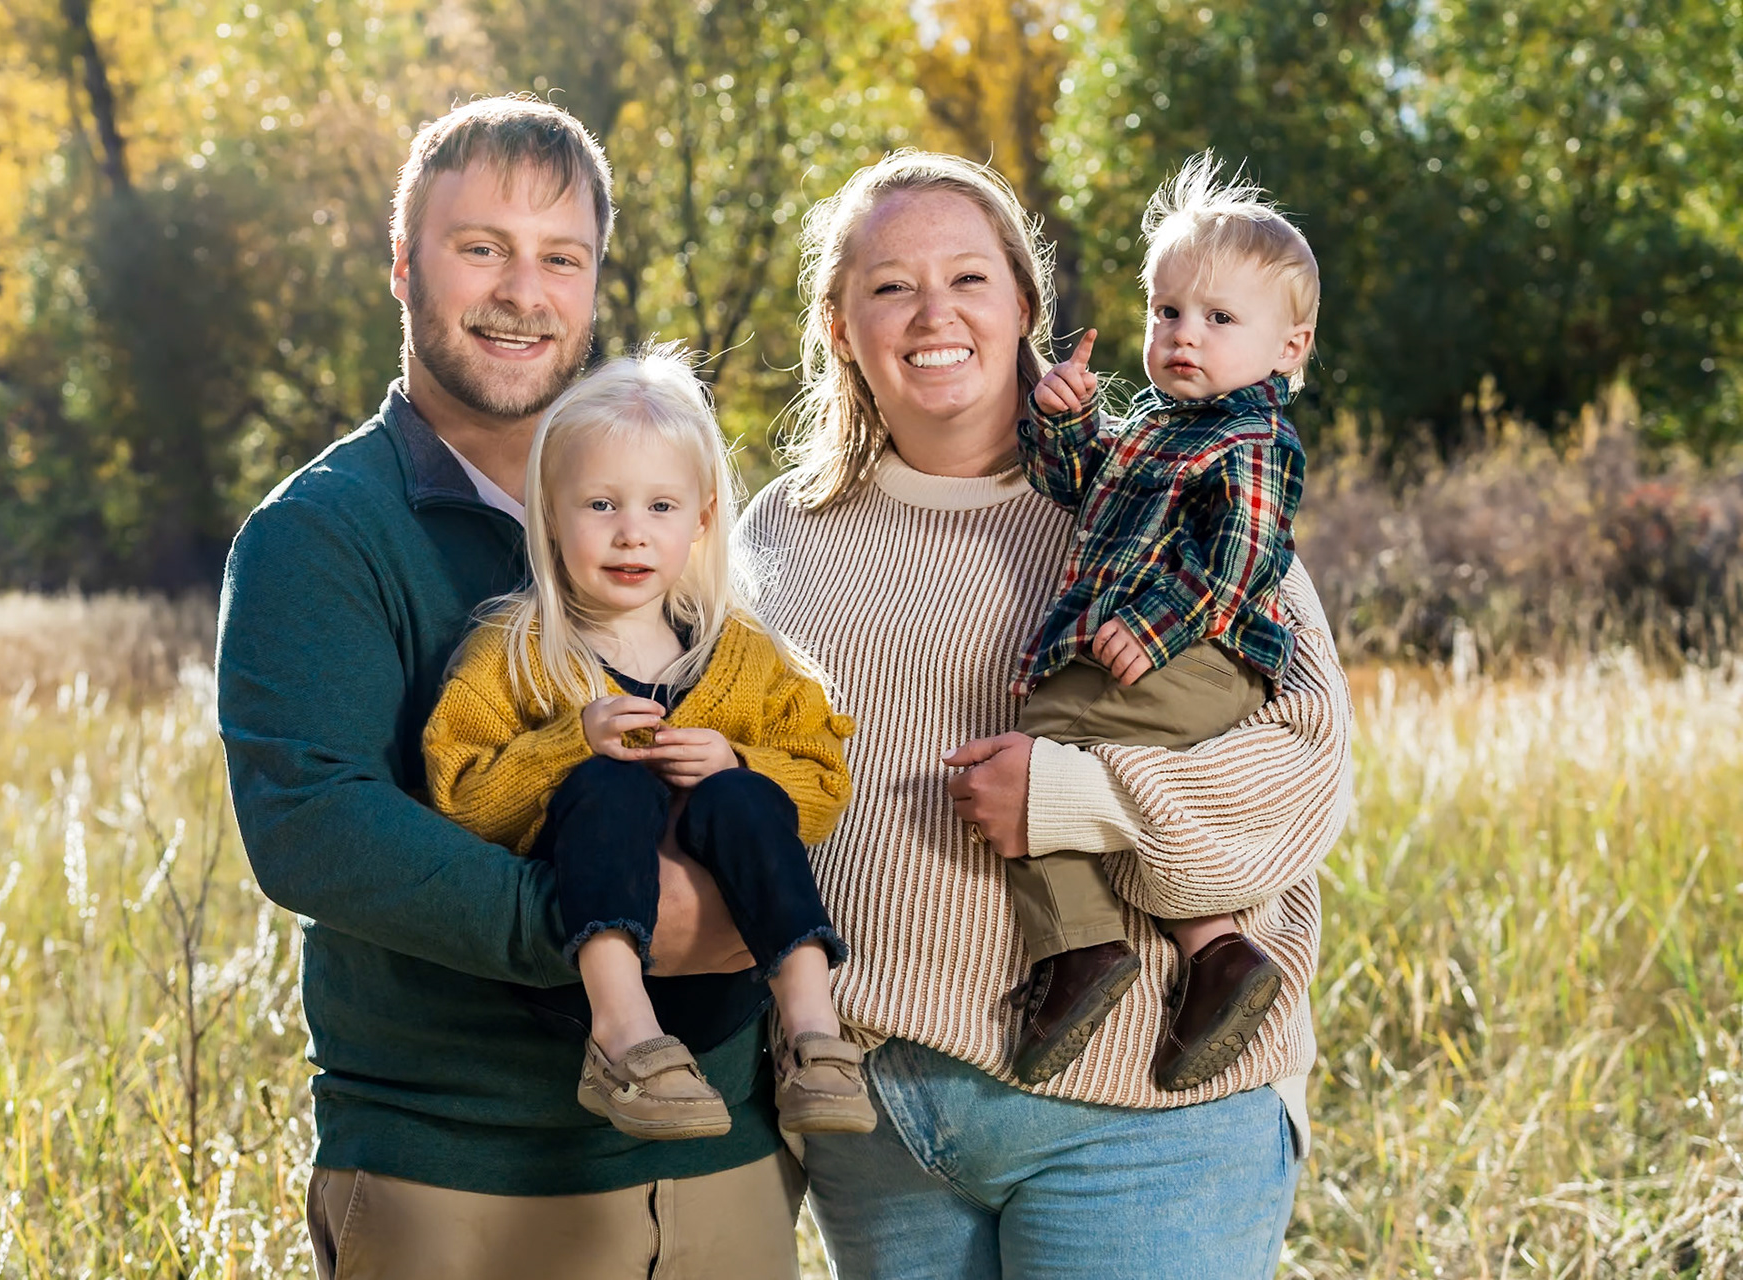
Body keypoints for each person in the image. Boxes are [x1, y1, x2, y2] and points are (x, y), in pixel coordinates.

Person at [215, 97, 805, 1280]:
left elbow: (778, 744)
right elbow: (314, 825)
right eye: (481, 247)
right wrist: (617, 920)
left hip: (722, 1163)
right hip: (460, 1171)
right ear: (403, 264)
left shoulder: (671, 511)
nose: (521, 292)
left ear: (593, 282)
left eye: (560, 257)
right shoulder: (320, 534)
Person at [735, 150, 1352, 1278]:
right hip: (879, 1122)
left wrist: (1080, 797)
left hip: (1145, 1119)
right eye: (890, 286)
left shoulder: (1157, 487)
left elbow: (1307, 771)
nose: (935, 313)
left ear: (1026, 304)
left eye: (970, 278)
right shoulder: (776, 532)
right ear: (838, 326)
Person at [421, 349, 876, 1142]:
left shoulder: (742, 654)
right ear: (549, 514)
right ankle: (621, 1036)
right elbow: (459, 795)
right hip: (574, 984)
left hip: (723, 990)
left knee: (743, 791)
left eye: (661, 506)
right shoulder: (518, 651)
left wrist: (739, 761)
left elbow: (823, 781)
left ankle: (812, 1031)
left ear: (701, 519)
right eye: (601, 505)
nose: (631, 533)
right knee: (611, 782)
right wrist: (569, 744)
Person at [1003, 151, 1318, 1091]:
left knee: (1038, 761)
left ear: (1289, 348)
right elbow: (1073, 488)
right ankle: (1216, 954)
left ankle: (1083, 949)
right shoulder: (1150, 428)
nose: (1185, 335)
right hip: (1175, 656)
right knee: (1077, 765)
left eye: (1220, 319)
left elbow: (1243, 561)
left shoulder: (1253, 436)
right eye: (1167, 312)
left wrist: (1156, 629)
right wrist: (1065, 421)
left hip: (1204, 656)